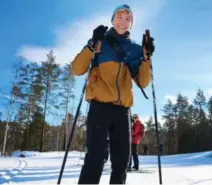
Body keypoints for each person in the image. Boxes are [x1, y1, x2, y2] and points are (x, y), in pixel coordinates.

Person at [71, 4, 155, 184]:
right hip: (99, 106)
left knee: (122, 160)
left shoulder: (134, 49)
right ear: (112, 19)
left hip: (123, 110)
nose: (123, 21)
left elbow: (143, 82)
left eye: (128, 18)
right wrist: (91, 46)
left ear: (131, 23)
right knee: (96, 156)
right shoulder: (100, 41)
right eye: (119, 16)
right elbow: (77, 69)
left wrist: (146, 58)